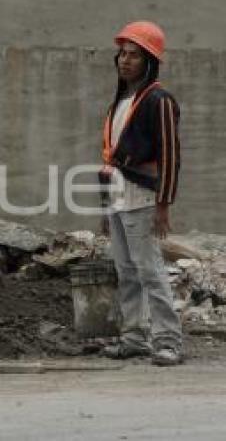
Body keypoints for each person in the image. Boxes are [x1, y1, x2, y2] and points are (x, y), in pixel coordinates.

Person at [99, 21, 182, 366]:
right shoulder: (121, 101)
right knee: (126, 270)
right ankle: (135, 337)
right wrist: (105, 207)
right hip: (119, 198)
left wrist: (163, 205)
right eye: (123, 54)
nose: (125, 60)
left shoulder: (158, 100)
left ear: (149, 61)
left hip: (143, 200)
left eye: (134, 55)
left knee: (149, 270)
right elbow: (110, 156)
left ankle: (168, 341)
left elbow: (170, 155)